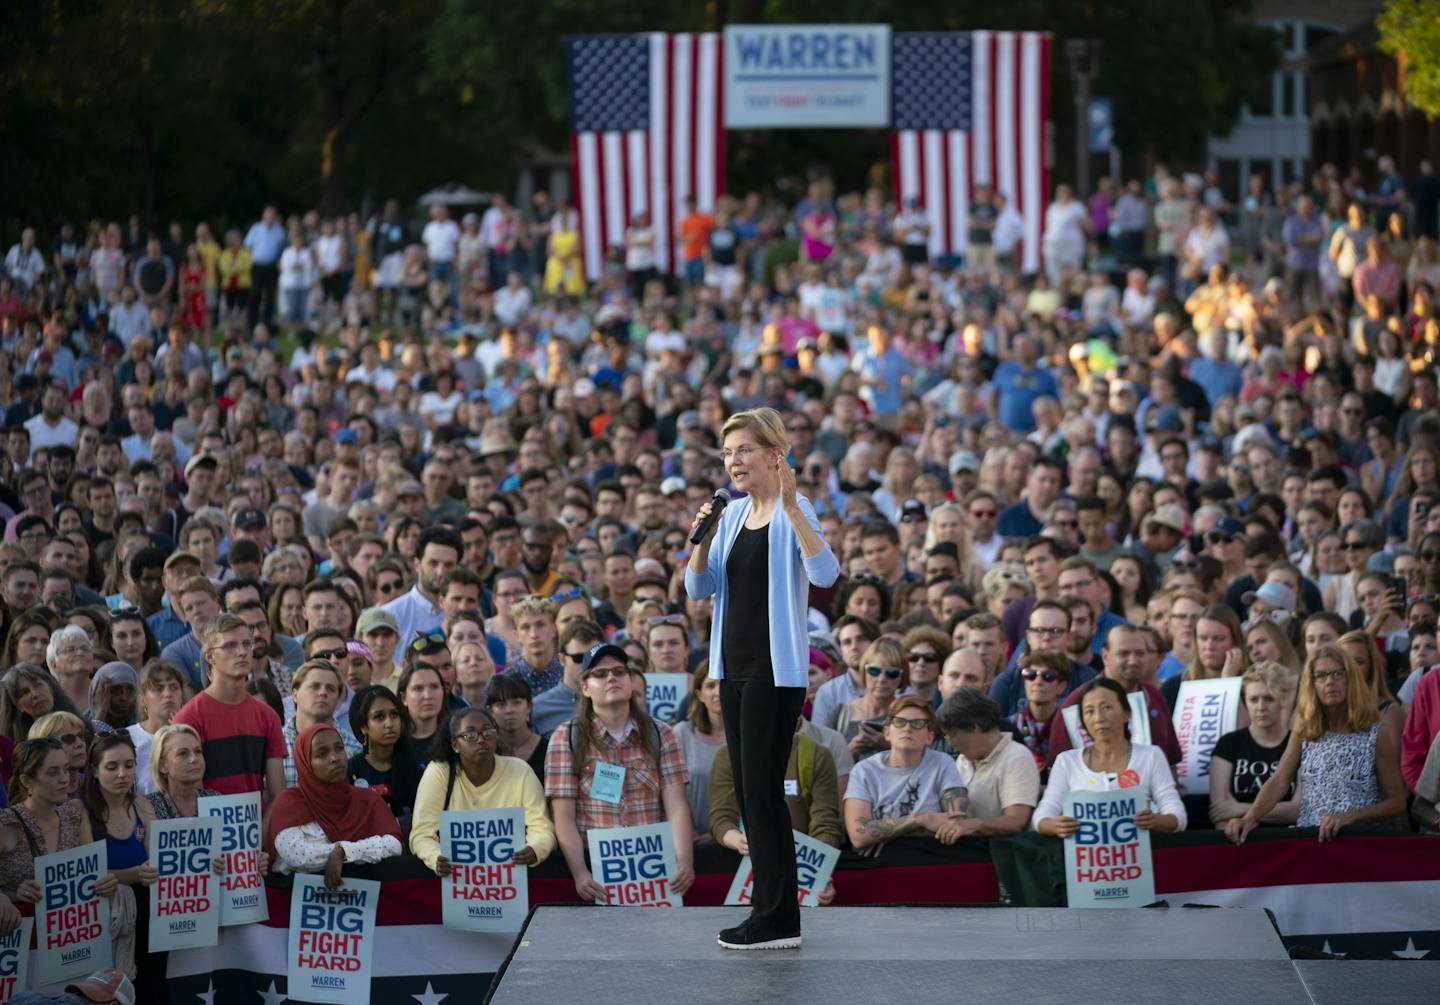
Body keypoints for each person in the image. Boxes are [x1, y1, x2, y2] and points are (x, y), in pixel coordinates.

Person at [684, 407, 839, 951]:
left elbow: (825, 575)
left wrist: (794, 509)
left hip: (777, 674)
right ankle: (770, 913)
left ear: (775, 455)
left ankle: (777, 917)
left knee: (763, 794)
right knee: (753, 796)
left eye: (743, 450)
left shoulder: (797, 511)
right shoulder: (727, 516)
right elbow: (696, 589)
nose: (733, 462)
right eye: (727, 453)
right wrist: (701, 536)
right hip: (732, 670)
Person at [543, 642, 694, 906]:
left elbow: (676, 805)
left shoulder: (661, 734)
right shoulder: (566, 737)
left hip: (654, 869)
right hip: (597, 872)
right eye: (600, 674)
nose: (611, 677)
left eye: (619, 671)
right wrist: (580, 873)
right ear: (585, 688)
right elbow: (563, 816)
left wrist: (684, 861)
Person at [1226, 644, 1407, 844]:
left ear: (1351, 679)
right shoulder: (1305, 729)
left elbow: (1397, 802)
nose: (1330, 681)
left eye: (1338, 673)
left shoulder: (1375, 733)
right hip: (1311, 842)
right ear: (1311, 683)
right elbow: (1279, 781)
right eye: (1320, 675)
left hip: (1359, 843)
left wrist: (1351, 816)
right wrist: (1249, 818)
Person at [0, 739, 127, 966]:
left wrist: (105, 884)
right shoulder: (7, 824)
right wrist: (8, 896)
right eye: (53, 772)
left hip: (72, 949)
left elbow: (94, 873)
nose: (64, 779)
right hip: (21, 954)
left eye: (66, 769)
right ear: (27, 781)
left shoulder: (73, 815)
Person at [709, 719, 842, 905]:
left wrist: (820, 872)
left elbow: (825, 824)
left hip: (798, 861)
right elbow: (721, 817)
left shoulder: (816, 756)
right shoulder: (727, 755)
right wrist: (737, 840)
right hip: (743, 861)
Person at [411, 708, 555, 877]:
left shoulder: (519, 770)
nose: (480, 739)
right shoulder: (440, 772)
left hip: (510, 877)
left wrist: (534, 849)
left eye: (487, 732)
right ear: (455, 745)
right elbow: (421, 834)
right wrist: (436, 857)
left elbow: (542, 827)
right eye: (470, 735)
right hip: (454, 878)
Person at [1034, 678, 1186, 836]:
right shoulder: (1067, 761)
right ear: (1083, 721)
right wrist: (1055, 826)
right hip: (1085, 857)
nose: (1098, 718)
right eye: (1089, 711)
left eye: (1106, 707)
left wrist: (1156, 821)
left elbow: (1177, 816)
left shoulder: (1151, 756)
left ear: (1126, 713)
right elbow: (1043, 815)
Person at [264, 723, 403, 884]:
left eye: (339, 748)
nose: (335, 758)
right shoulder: (290, 802)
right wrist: (337, 852)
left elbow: (394, 845)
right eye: (322, 754)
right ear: (305, 764)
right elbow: (297, 855)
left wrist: (344, 852)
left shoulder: (367, 800)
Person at [171, 613, 287, 801]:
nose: (242, 651)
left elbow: (278, 795)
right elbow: (189, 798)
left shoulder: (268, 716)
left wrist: (262, 830)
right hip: (208, 826)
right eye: (230, 645)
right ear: (210, 656)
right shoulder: (188, 718)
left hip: (258, 825)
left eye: (246, 644)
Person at [843, 695, 969, 853]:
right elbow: (858, 835)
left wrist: (885, 834)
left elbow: (957, 822)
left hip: (928, 855)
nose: (907, 728)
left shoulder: (943, 763)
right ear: (887, 733)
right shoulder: (864, 771)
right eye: (900, 722)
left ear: (929, 737)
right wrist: (921, 819)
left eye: (917, 724)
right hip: (877, 862)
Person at [937, 687, 1041, 836]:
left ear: (975, 726)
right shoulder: (962, 760)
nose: (951, 743)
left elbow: (1016, 821)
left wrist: (973, 825)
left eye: (953, 735)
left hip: (1000, 853)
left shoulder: (1017, 757)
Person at [1209, 662, 1300, 828]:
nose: (1261, 707)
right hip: (1238, 841)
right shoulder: (1228, 744)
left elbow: (1298, 810)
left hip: (1287, 840)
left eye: (1269, 699)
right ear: (1245, 701)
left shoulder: (1298, 744)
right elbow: (1220, 813)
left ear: (1283, 700)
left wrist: (1239, 809)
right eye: (1253, 699)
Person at [347, 684, 422, 822]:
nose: (389, 723)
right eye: (379, 717)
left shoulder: (416, 770)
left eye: (394, 715)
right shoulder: (349, 770)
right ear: (363, 726)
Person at [669, 663, 726, 837]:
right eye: (710, 686)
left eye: (723, 684)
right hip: (692, 839)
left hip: (736, 839)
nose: (717, 692)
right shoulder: (681, 734)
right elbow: (672, 794)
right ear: (699, 694)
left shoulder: (747, 737)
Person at [484, 673, 549, 781]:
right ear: (490, 711)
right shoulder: (486, 751)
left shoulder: (548, 749)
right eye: (501, 704)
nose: (509, 710)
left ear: (529, 706)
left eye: (517, 703)